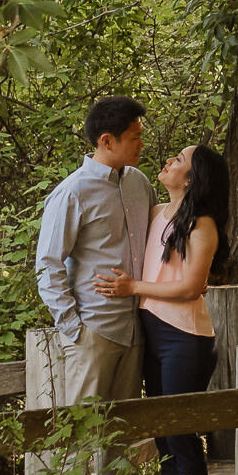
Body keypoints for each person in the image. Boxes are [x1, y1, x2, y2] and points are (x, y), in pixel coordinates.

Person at [93, 142, 227, 475]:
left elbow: (191, 287)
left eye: (180, 160)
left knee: (179, 428)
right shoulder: (156, 214)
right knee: (160, 428)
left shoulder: (202, 224)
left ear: (191, 179)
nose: (169, 161)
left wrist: (132, 287)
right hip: (151, 332)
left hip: (185, 338)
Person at [34, 97, 155, 444]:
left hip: (135, 331)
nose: (141, 144)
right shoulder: (72, 192)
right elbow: (48, 264)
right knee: (79, 442)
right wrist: (74, 328)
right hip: (94, 332)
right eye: (134, 138)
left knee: (121, 440)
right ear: (107, 141)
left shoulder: (139, 183)